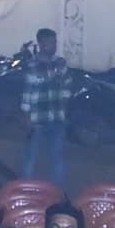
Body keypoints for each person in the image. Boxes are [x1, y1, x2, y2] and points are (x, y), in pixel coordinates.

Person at [16, 27, 78, 185]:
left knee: (57, 157)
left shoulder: (60, 62)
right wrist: (25, 115)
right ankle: (25, 190)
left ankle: (57, 193)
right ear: (41, 44)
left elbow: (67, 85)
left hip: (57, 117)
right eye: (50, 42)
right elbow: (27, 93)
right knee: (31, 157)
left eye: (55, 42)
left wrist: (64, 105)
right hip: (37, 119)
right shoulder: (32, 65)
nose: (54, 45)